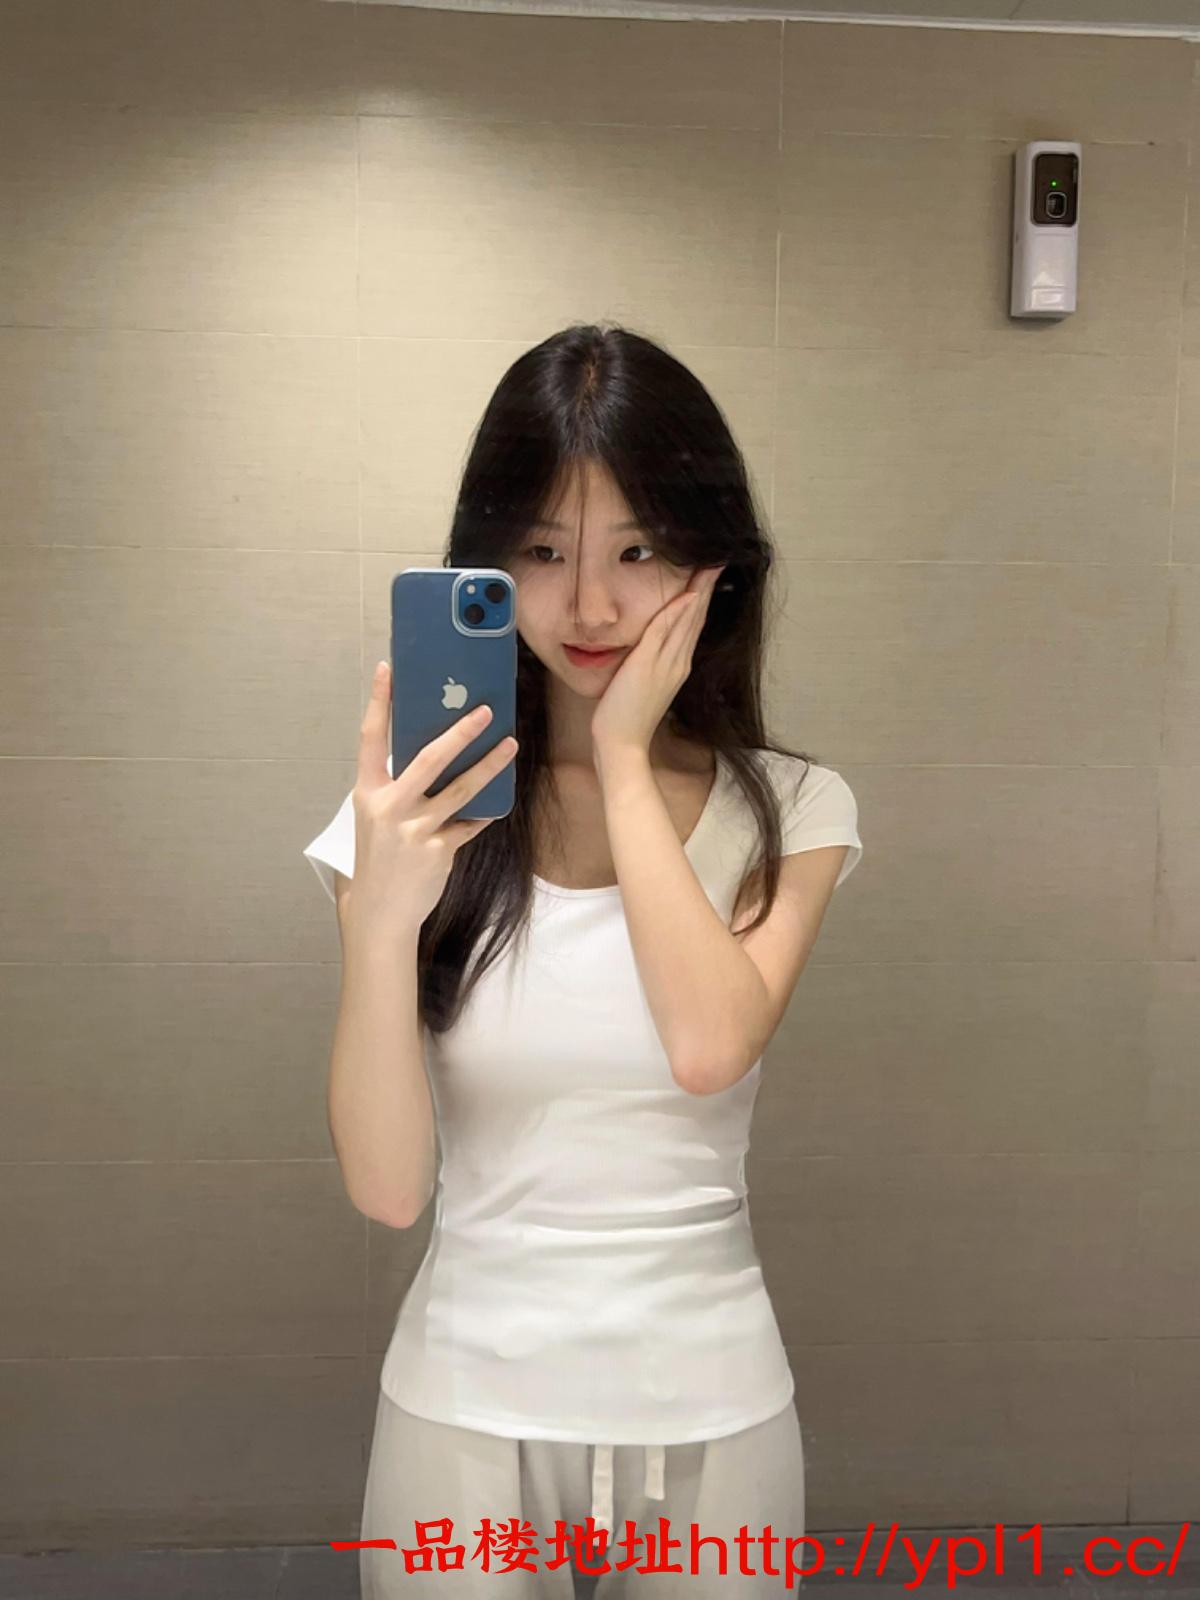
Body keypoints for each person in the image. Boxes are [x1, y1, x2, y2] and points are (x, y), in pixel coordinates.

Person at [301, 324, 863, 1597]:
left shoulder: (795, 809)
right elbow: (388, 1188)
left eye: (637, 551)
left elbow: (709, 1046)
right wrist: (384, 916)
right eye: (545, 552)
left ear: (713, 564)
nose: (592, 605)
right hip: (462, 1411)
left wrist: (621, 757)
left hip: (713, 1410)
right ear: (488, 560)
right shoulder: (403, 825)